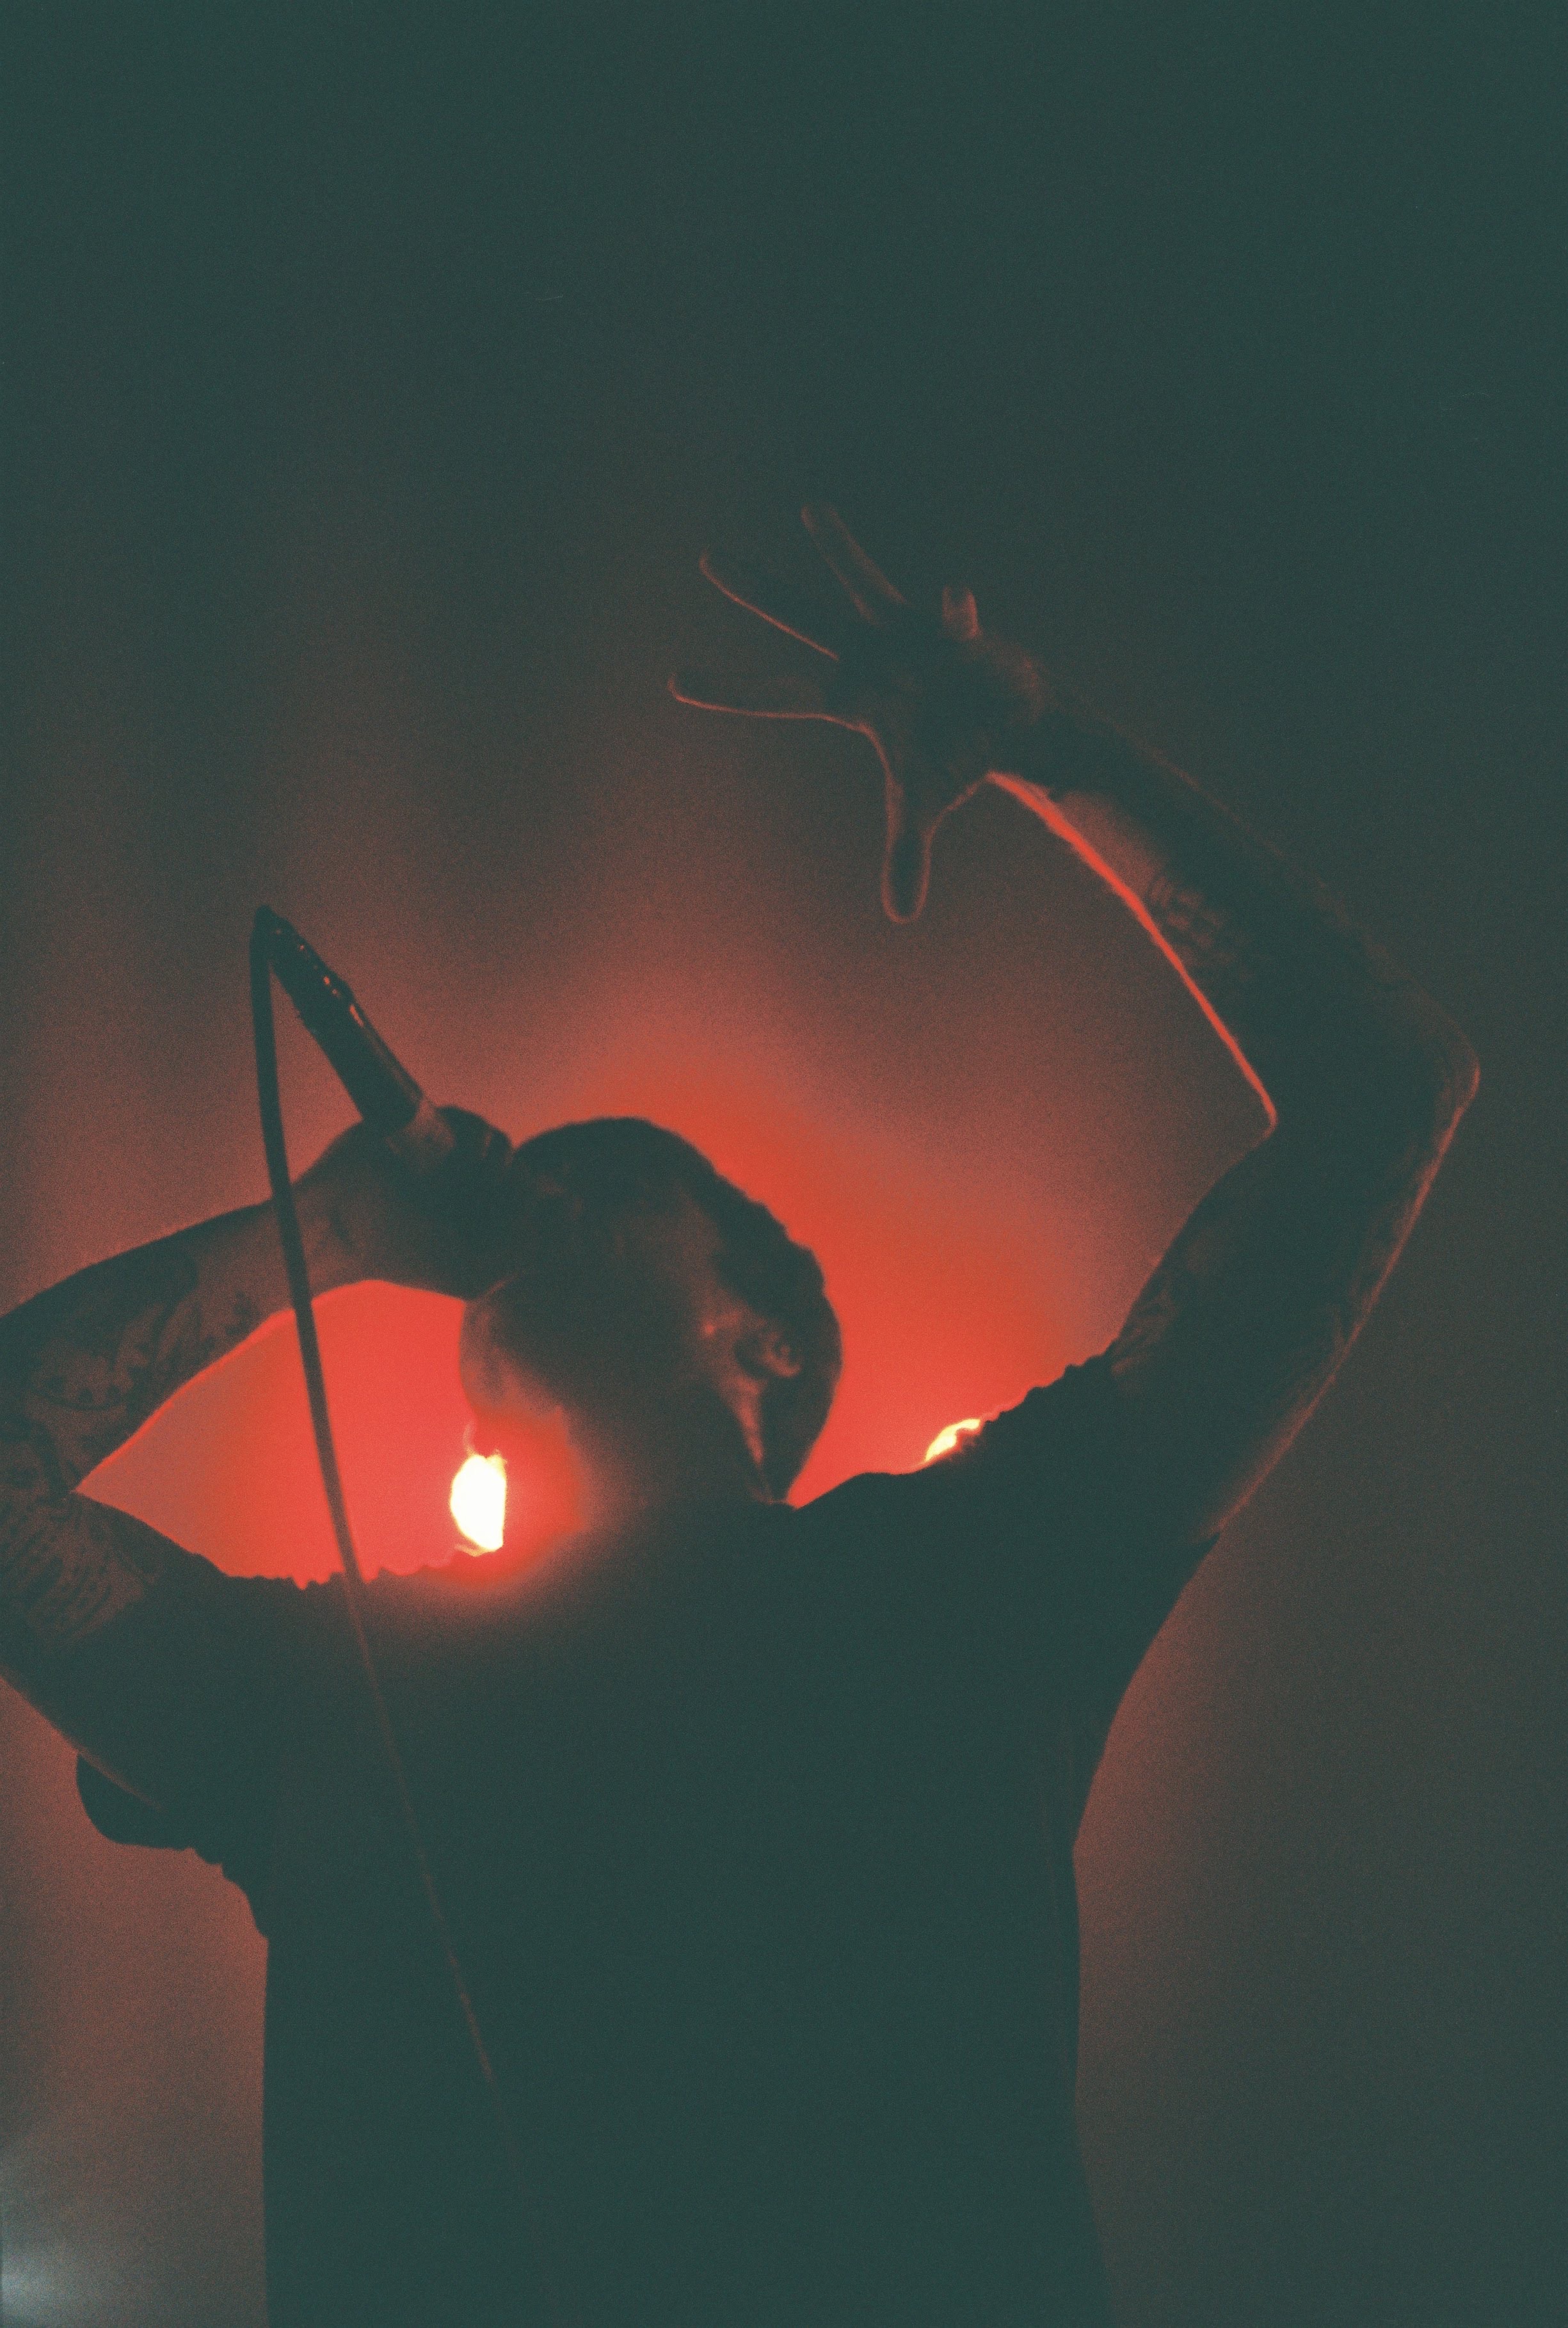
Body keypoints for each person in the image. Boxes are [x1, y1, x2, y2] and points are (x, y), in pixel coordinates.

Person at [0, 508, 1478, 2327]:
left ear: (762, 1340)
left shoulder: (958, 1581)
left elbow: (1390, 1093)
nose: (546, 1194)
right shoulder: (343, 1685)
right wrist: (325, 1236)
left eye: (620, 1180)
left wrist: (1054, 754)